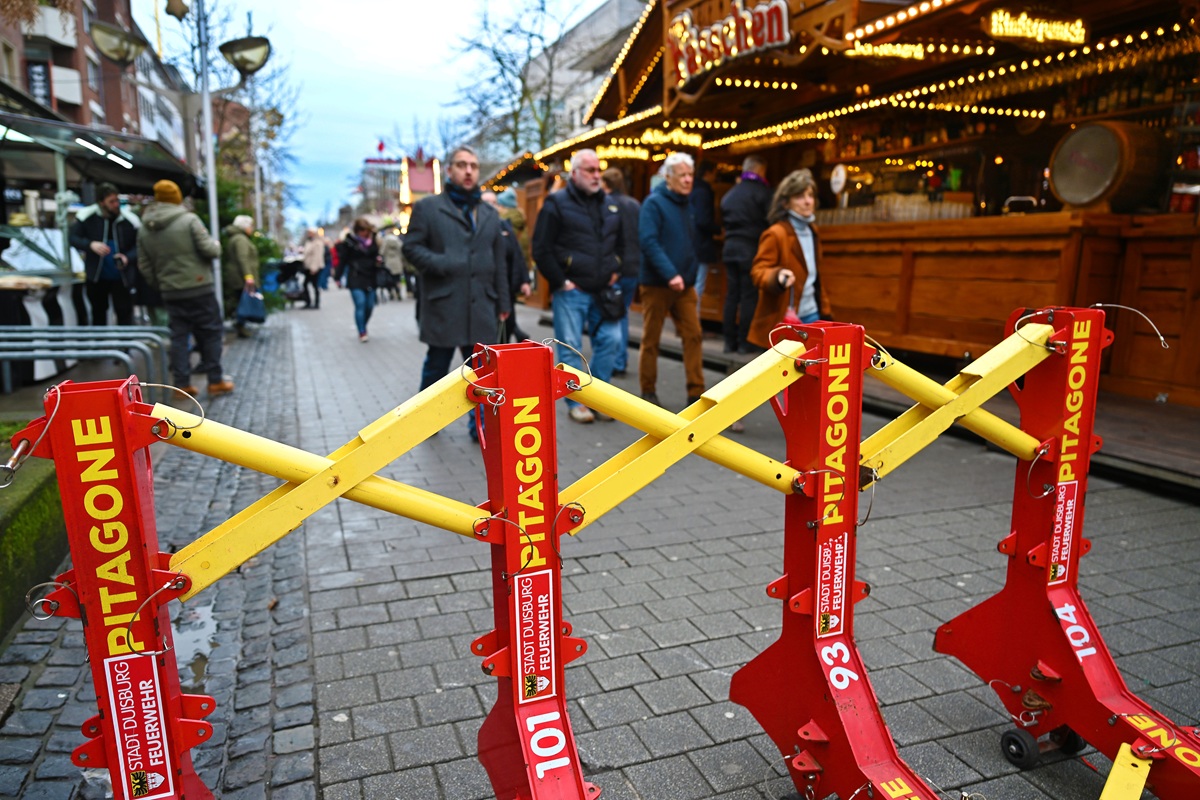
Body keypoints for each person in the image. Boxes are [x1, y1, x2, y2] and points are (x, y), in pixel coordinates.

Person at [403, 145, 510, 440]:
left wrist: (503, 300)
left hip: (482, 304)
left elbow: (498, 260)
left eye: (473, 166)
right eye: (462, 165)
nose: (468, 171)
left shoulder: (488, 212)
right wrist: (443, 263)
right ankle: (426, 421)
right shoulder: (428, 208)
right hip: (444, 301)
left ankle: (482, 427)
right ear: (449, 170)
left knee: (483, 370)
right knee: (437, 365)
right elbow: (411, 248)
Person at [531, 148, 623, 423]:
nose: (597, 176)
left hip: (603, 289)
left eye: (599, 170)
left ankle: (597, 398)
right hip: (572, 291)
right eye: (590, 170)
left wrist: (616, 267)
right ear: (575, 173)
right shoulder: (556, 203)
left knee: (612, 340)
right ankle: (576, 402)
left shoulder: (608, 203)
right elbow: (541, 248)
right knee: (570, 347)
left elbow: (620, 240)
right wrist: (561, 282)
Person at [136, 179, 233, 397]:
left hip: (170, 291)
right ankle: (215, 380)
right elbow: (210, 250)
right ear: (177, 197)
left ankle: (181, 386)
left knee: (179, 337)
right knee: (210, 333)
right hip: (199, 287)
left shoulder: (145, 227)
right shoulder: (189, 220)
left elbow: (144, 264)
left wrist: (161, 283)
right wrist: (216, 245)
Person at [638, 153, 705, 408]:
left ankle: (696, 393)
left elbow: (690, 243)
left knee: (694, 335)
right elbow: (648, 242)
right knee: (651, 338)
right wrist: (670, 274)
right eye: (683, 175)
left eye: (691, 175)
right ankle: (648, 391)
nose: (688, 180)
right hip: (657, 283)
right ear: (668, 177)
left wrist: (688, 273)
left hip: (685, 284)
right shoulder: (653, 204)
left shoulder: (688, 205)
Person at [747, 168, 833, 350]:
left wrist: (825, 311)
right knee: (786, 374)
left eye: (810, 195)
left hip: (812, 314)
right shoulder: (776, 233)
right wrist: (777, 276)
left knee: (812, 373)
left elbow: (816, 277)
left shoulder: (813, 231)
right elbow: (758, 271)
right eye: (800, 196)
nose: (808, 201)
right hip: (785, 316)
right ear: (785, 203)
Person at [720, 155, 772, 354]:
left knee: (732, 295)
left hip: (730, 248)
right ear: (760, 170)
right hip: (750, 248)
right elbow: (770, 220)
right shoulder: (763, 193)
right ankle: (744, 342)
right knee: (749, 296)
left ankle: (728, 342)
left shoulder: (730, 195)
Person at [69, 182, 139, 326]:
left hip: (122, 277)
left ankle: (125, 346)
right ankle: (100, 345)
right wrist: (90, 245)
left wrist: (127, 257)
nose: (116, 204)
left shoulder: (129, 220)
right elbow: (72, 238)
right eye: (111, 201)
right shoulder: (86, 217)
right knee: (98, 312)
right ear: (101, 202)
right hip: (97, 276)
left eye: (117, 200)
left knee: (124, 312)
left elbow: (139, 246)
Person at [601, 167, 641, 378]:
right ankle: (620, 359)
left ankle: (617, 360)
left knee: (613, 316)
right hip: (634, 267)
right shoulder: (634, 204)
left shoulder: (606, 203)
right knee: (622, 312)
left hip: (615, 269)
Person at [481, 191, 531, 342]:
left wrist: (524, 280)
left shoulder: (504, 226)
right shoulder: (475, 228)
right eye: (486, 203)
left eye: (494, 203)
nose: (491, 206)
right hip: (484, 291)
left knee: (505, 329)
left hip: (505, 288)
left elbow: (517, 254)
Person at [336, 218, 382, 341]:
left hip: (370, 277)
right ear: (357, 231)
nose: (364, 234)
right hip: (356, 277)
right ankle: (362, 331)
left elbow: (377, 255)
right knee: (360, 303)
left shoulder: (373, 241)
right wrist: (338, 277)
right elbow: (342, 261)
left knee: (369, 306)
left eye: (366, 231)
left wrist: (378, 261)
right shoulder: (349, 243)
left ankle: (363, 324)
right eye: (362, 231)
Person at [221, 214, 260, 337]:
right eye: (250, 226)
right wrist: (248, 276)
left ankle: (241, 325)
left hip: (238, 276)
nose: (252, 228)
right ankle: (240, 326)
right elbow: (242, 259)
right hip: (240, 277)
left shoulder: (237, 238)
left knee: (241, 301)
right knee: (242, 302)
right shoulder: (240, 239)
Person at [691, 160, 720, 317]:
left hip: (692, 243)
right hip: (701, 244)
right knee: (698, 286)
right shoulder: (703, 192)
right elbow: (703, 220)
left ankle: (688, 323)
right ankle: (692, 323)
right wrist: (718, 229)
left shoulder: (693, 190)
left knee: (693, 285)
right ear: (708, 173)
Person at [301, 227, 326, 308]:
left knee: (315, 285)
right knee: (306, 284)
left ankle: (316, 303)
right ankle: (308, 302)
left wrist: (314, 268)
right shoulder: (309, 241)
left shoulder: (318, 243)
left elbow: (317, 257)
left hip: (314, 268)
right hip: (308, 267)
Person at [379, 227, 406, 301]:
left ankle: (391, 292)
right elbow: (403, 250)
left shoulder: (385, 240)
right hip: (397, 262)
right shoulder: (397, 241)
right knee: (397, 279)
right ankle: (398, 292)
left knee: (389, 279)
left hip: (388, 262)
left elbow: (382, 252)